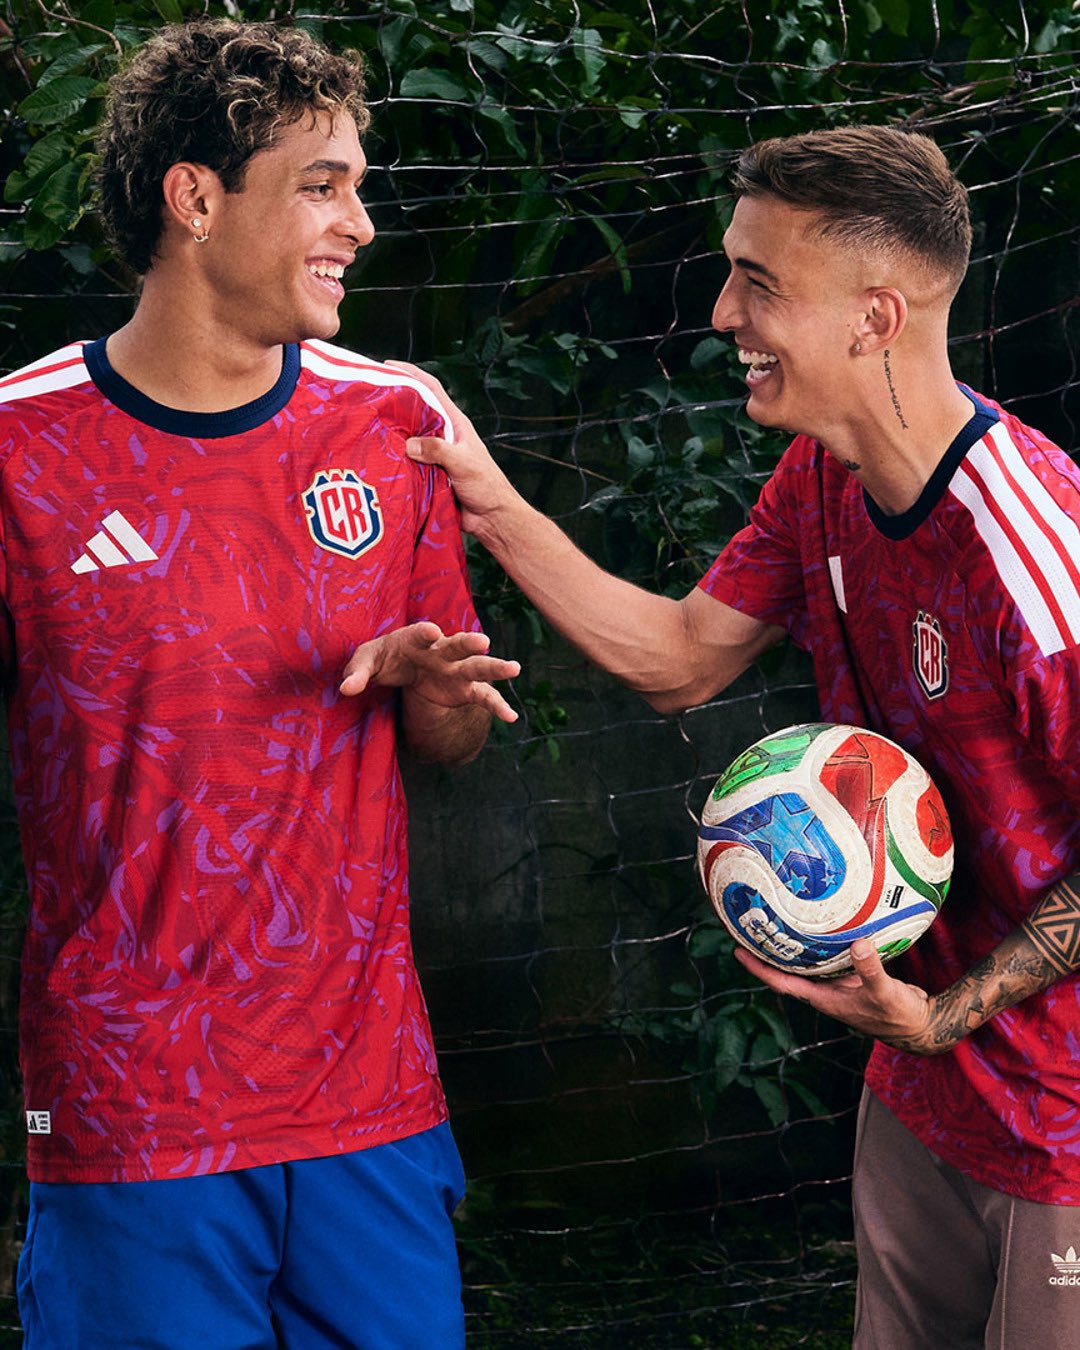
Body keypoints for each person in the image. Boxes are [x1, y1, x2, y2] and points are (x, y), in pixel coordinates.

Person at [402, 125, 1080, 1348]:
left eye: (758, 281)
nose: (723, 313)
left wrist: (956, 1009)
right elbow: (678, 656)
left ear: (876, 318)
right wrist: (485, 496)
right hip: (923, 1091)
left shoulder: (1034, 554)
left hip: (1063, 1123)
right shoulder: (819, 481)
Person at [3, 19, 519, 1350]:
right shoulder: (17, 450)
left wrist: (432, 687)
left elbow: (452, 740)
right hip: (134, 1106)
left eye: (359, 186)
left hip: (368, 1101)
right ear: (195, 198)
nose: (361, 223)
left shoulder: (391, 425)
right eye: (321, 185)